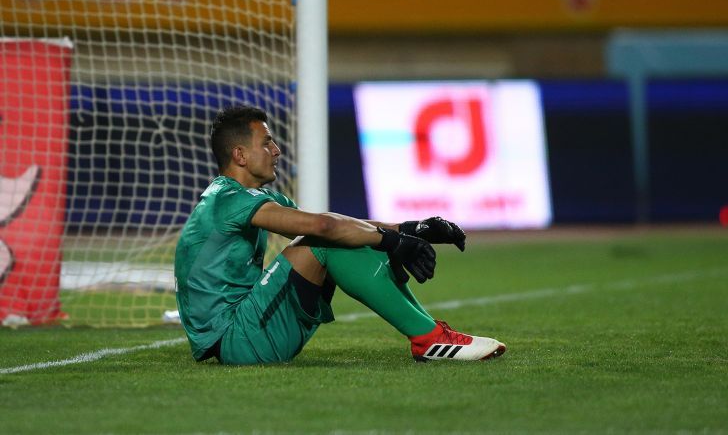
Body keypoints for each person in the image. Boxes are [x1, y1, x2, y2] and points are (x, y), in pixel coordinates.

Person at [174, 106, 506, 365]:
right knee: (328, 241)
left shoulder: (247, 198)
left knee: (347, 235)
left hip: (244, 332)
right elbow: (325, 228)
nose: (276, 150)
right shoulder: (227, 199)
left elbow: (338, 224)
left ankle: (430, 334)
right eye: (266, 142)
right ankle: (430, 338)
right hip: (237, 339)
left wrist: (410, 228)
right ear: (240, 155)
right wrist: (391, 241)